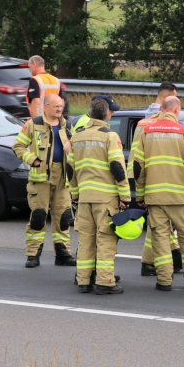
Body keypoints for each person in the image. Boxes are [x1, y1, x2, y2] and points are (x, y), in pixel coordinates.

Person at [133, 97, 184, 291]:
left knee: (160, 239)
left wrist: (140, 195)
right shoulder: (183, 132)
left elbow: (137, 167)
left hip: (155, 197)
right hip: (180, 198)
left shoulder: (147, 132)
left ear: (162, 110)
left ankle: (164, 281)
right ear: (176, 110)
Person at [68, 98, 130, 294]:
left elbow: (71, 169)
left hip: (85, 198)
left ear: (90, 114)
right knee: (105, 240)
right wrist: (125, 196)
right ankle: (104, 282)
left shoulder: (77, 136)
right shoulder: (109, 136)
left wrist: (75, 193)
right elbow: (117, 167)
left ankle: (83, 280)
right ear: (107, 114)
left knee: (86, 240)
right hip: (105, 198)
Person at [12, 94, 76, 267]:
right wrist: (33, 160)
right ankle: (33, 255)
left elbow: (76, 150)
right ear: (45, 107)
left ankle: (63, 254)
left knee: (63, 217)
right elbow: (18, 146)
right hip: (40, 180)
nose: (59, 109)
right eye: (55, 106)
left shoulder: (67, 126)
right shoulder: (33, 124)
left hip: (62, 179)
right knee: (38, 217)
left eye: (60, 106)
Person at [128, 104, 183, 277]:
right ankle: (155, 264)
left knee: (159, 224)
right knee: (157, 225)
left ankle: (171, 257)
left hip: (143, 179)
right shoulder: (160, 128)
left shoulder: (143, 124)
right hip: (159, 181)